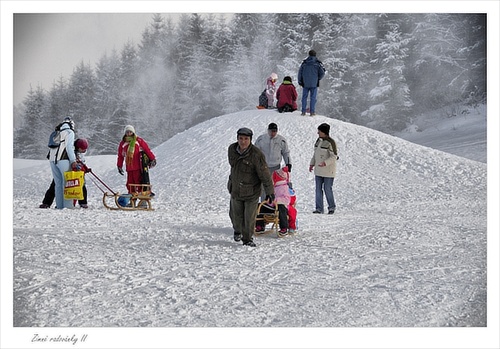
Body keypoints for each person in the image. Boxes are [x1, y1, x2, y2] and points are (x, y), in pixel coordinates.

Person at [227, 127, 275, 247]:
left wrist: (269, 191)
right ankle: (237, 230)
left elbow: (264, 174)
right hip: (236, 190)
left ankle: (247, 238)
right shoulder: (232, 149)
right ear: (237, 139)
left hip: (251, 192)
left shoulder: (256, 155)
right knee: (235, 216)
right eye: (241, 138)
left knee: (249, 218)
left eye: (246, 139)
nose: (243, 142)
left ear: (250, 140)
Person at [40, 138, 91, 209]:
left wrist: (85, 169)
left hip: (76, 173)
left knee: (81, 185)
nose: (84, 151)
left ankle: (83, 202)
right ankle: (46, 203)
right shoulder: (69, 150)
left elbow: (82, 162)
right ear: (77, 147)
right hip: (65, 170)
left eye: (85, 149)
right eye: (82, 149)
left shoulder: (81, 153)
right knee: (54, 185)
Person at [254, 122, 292, 201]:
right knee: (263, 186)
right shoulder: (261, 139)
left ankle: (273, 203)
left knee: (275, 185)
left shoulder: (281, 140)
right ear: (268, 130)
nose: (273, 133)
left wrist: (288, 163)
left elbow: (285, 152)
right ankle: (263, 203)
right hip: (263, 167)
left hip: (275, 167)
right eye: (271, 131)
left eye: (275, 131)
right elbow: (255, 151)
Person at [117, 125, 157, 194]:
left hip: (138, 167)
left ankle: (143, 199)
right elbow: (120, 156)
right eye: (127, 132)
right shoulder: (123, 143)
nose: (129, 133)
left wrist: (152, 158)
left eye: (130, 132)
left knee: (139, 183)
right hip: (129, 168)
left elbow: (147, 150)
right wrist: (119, 166)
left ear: (133, 132)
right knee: (130, 185)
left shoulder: (138, 140)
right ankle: (132, 200)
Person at [48, 117, 77, 209]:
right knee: (67, 183)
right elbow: (69, 147)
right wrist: (73, 161)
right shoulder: (69, 132)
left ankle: (60, 205)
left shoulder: (56, 133)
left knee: (58, 184)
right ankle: (68, 206)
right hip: (63, 160)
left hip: (52, 160)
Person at [309, 123, 338, 214]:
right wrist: (312, 164)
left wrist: (325, 163)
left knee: (327, 188)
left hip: (328, 171)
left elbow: (334, 156)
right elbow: (315, 154)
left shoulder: (331, 142)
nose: (318, 133)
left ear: (324, 132)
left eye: (319, 131)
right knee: (318, 189)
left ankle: (331, 207)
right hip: (318, 170)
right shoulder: (318, 141)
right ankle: (319, 208)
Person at [255, 166, 291, 237]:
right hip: (272, 207)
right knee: (260, 206)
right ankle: (260, 225)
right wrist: (268, 200)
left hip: (281, 206)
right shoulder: (273, 187)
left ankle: (284, 228)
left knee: (281, 209)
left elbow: (287, 199)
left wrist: (276, 201)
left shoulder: (284, 187)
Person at [298, 49, 326, 116]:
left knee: (304, 97)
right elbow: (322, 73)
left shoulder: (304, 63)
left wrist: (300, 81)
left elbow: (300, 73)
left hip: (305, 83)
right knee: (313, 98)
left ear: (309, 54)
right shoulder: (317, 63)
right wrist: (318, 78)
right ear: (315, 55)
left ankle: (303, 111)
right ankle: (312, 112)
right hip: (314, 83)